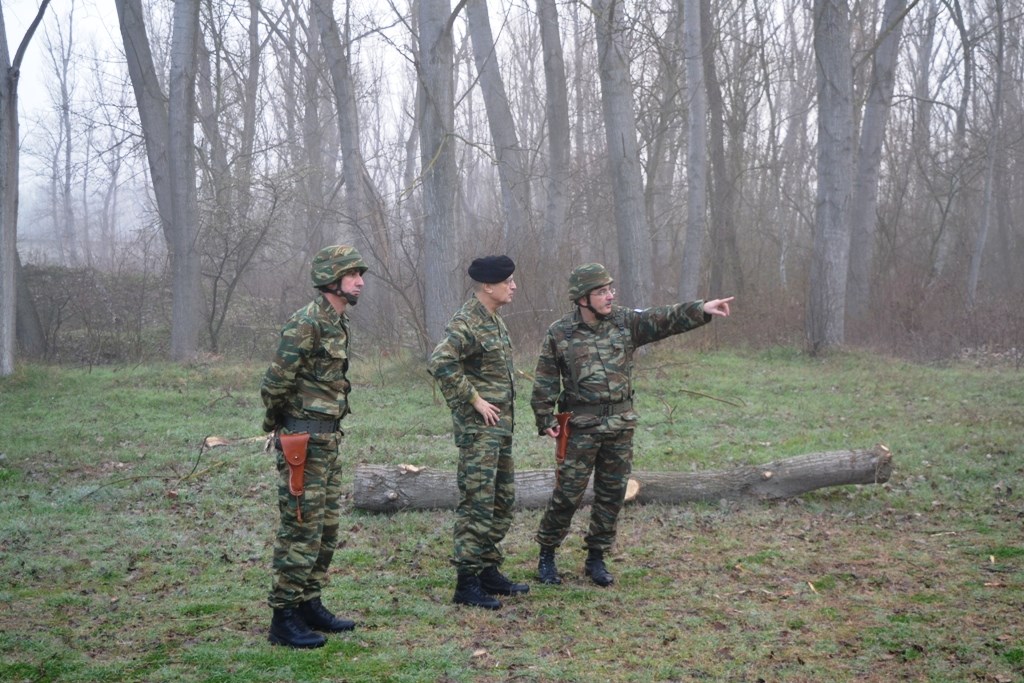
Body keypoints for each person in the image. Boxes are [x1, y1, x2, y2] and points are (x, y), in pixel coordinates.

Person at [531, 263, 734, 587]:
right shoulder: (561, 333)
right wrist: (544, 418)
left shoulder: (626, 322)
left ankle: (596, 557)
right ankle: (547, 554)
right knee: (568, 494)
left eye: (611, 289)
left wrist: (702, 309)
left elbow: (663, 318)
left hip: (620, 426)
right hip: (581, 427)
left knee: (612, 494)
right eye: (601, 291)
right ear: (582, 298)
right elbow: (544, 377)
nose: (610, 295)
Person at [260, 245, 367, 648]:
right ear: (331, 279)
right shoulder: (306, 322)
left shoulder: (336, 322)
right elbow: (275, 382)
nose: (360, 281)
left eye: (360, 274)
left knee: (325, 529)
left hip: (327, 440)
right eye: (352, 274)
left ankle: (309, 602)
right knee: (300, 528)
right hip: (303, 442)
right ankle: (283, 616)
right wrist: (278, 425)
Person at [427, 255, 529, 610]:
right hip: (479, 433)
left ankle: (488, 569)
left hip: (500, 432)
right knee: (478, 504)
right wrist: (473, 399)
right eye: (508, 281)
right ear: (489, 285)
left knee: (501, 501)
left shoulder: (495, 321)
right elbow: (440, 361)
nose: (514, 286)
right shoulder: (466, 321)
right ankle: (466, 583)